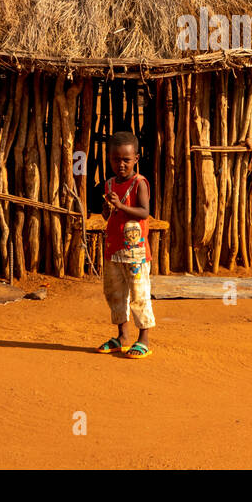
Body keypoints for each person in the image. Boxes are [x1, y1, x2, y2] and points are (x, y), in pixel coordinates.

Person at [94, 131, 155, 359]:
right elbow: (109, 216)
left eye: (126, 160)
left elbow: (144, 212)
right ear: (109, 158)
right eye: (116, 159)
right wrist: (107, 210)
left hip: (136, 253)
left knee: (139, 293)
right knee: (115, 293)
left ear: (136, 159)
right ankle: (122, 337)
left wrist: (120, 205)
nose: (121, 164)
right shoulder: (109, 184)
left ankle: (144, 339)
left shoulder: (140, 183)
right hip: (113, 250)